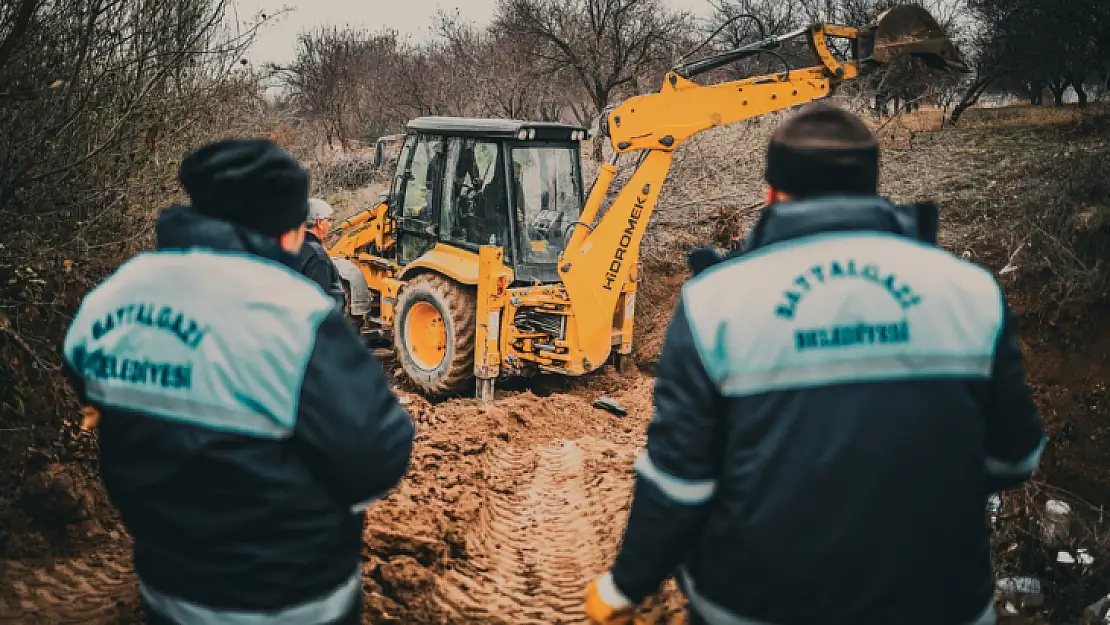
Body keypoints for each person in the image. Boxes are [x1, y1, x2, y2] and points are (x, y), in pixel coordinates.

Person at [584, 102, 1046, 625]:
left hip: (755, 606)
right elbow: (1017, 458)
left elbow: (680, 482)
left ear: (772, 195)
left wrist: (628, 584)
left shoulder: (716, 302)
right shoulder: (971, 292)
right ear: (872, 187)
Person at [60, 139, 415, 625]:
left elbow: (90, 385)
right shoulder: (296, 316)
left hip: (169, 588)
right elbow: (376, 457)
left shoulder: (114, 296)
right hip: (293, 600)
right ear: (291, 233)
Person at [298, 197, 346, 309]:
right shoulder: (317, 257)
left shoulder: (295, 247)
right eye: (329, 220)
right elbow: (318, 303)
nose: (330, 225)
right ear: (319, 222)